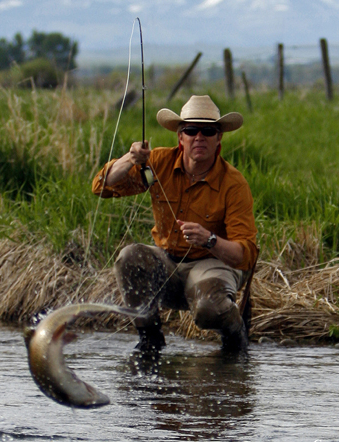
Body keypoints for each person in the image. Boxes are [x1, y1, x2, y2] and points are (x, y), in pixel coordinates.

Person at [92, 95, 258, 353]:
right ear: (180, 137)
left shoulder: (234, 184)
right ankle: (150, 339)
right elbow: (102, 186)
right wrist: (130, 158)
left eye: (208, 131)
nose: (199, 137)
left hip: (213, 264)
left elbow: (245, 256)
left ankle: (235, 337)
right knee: (129, 257)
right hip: (168, 262)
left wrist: (209, 239)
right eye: (191, 130)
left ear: (219, 139)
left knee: (208, 310)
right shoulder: (158, 163)